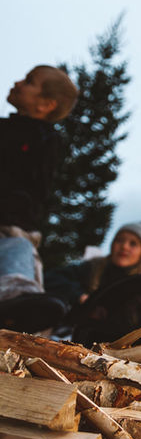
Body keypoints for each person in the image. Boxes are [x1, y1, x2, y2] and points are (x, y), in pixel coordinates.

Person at [0, 66, 78, 328]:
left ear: (46, 104)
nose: (18, 82)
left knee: (18, 249)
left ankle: (16, 299)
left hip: (10, 224)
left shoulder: (44, 140)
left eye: (29, 81)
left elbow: (34, 190)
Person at [46, 221, 141, 309]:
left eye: (133, 244)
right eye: (119, 240)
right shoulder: (92, 268)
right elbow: (51, 277)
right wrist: (79, 295)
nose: (124, 246)